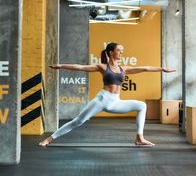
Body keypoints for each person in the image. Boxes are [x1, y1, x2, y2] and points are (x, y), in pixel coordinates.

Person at [39, 42, 176, 147]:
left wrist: (162, 69)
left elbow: (145, 68)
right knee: (79, 121)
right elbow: (81, 67)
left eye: (122, 51)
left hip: (116, 101)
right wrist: (61, 66)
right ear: (111, 52)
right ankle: (49, 139)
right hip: (102, 99)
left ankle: (139, 138)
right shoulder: (103, 67)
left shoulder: (124, 69)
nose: (121, 53)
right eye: (118, 50)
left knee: (141, 105)